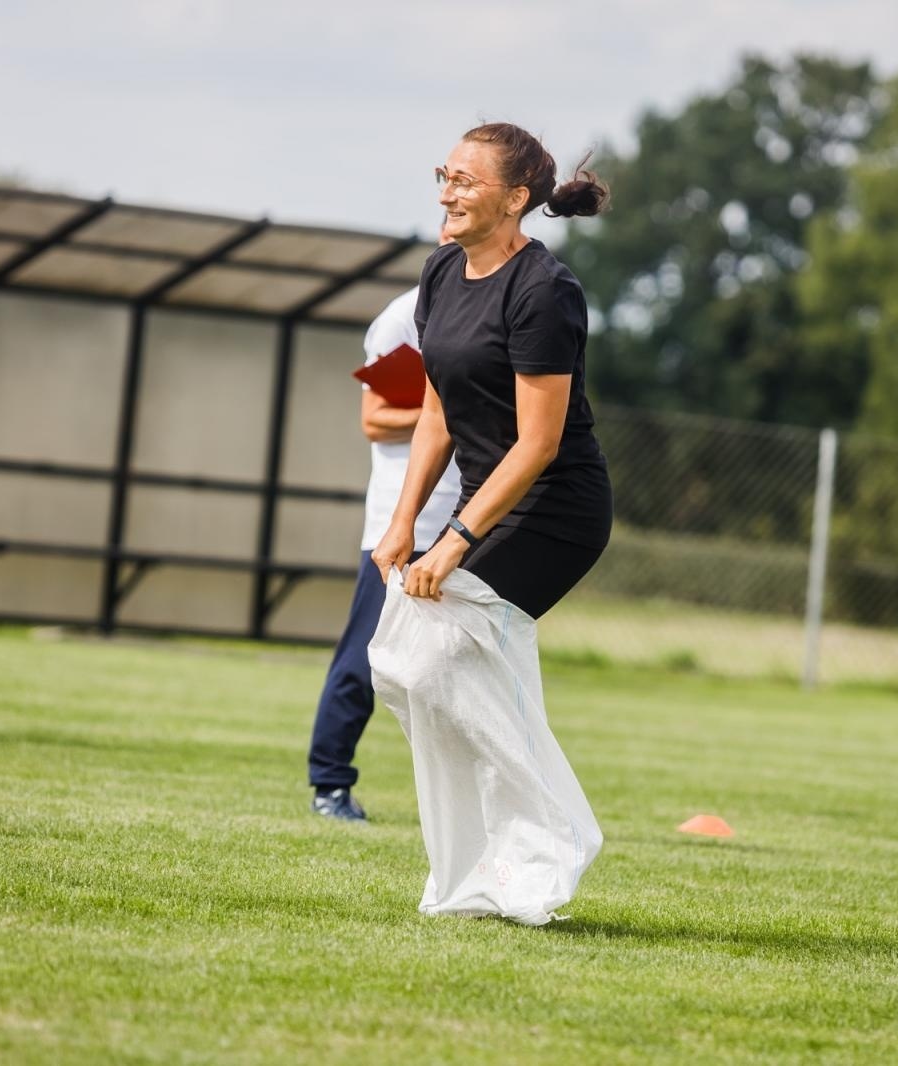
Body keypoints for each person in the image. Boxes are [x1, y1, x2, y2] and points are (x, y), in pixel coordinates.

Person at [368, 122, 611, 919]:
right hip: (487, 505)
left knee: (439, 661)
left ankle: (549, 846)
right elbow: (436, 411)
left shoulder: (545, 291)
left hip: (553, 511)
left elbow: (539, 444)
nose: (446, 190)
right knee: (410, 667)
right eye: (445, 173)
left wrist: (459, 541)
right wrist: (405, 524)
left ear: (515, 200)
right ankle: (483, 870)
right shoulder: (441, 272)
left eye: (466, 180)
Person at [307, 230, 462, 821]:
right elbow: (374, 419)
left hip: (468, 520)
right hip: (401, 523)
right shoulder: (402, 317)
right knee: (366, 661)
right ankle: (330, 785)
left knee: (459, 666)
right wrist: (444, 412)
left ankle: (464, 801)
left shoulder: (493, 313)